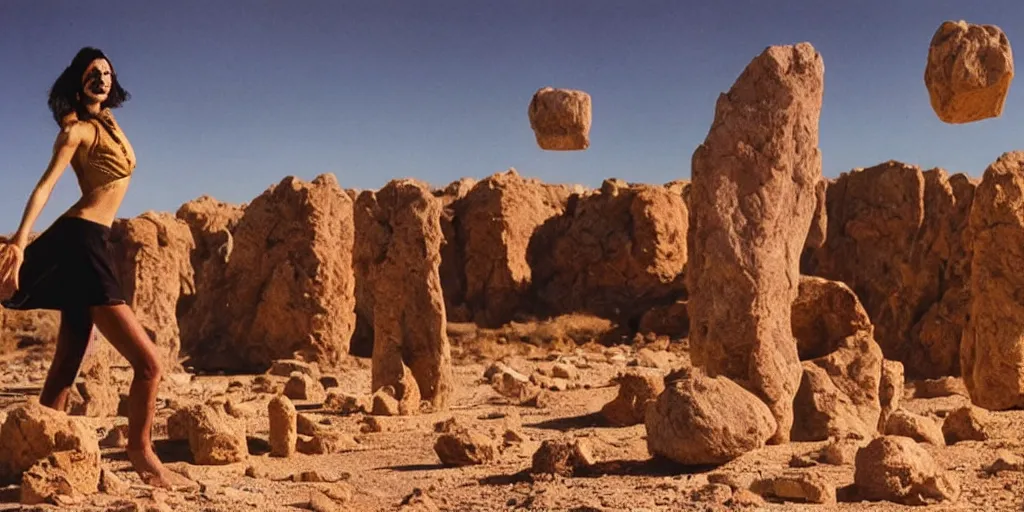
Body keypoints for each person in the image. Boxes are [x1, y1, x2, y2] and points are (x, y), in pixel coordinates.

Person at [0, 47, 186, 489]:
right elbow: (46, 186)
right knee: (149, 365)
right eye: (90, 74)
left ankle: (35, 454)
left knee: (67, 360)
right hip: (80, 242)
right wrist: (20, 241)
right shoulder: (78, 131)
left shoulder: (109, 123)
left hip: (93, 240)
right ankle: (142, 453)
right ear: (78, 82)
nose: (100, 78)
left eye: (106, 72)